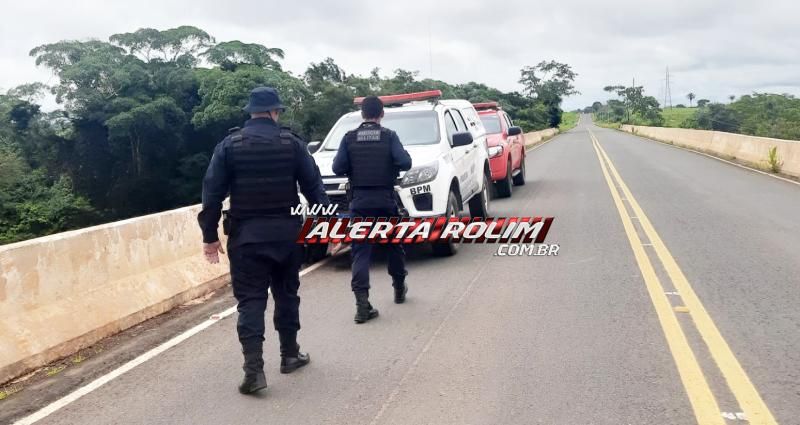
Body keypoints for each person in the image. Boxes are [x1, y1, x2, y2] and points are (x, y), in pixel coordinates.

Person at [198, 86, 329, 395]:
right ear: (275, 112)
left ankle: (254, 372)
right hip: (287, 236)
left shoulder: (229, 145)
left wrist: (209, 238)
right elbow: (314, 188)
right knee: (287, 295)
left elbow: (212, 194)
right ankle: (290, 355)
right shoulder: (292, 144)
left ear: (251, 112)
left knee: (251, 302)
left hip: (246, 240)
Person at [332, 95, 412, 324]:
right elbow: (405, 162)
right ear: (382, 114)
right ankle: (398, 287)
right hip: (385, 201)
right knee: (394, 245)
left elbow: (337, 168)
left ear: (362, 114)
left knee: (360, 252)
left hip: (360, 203)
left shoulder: (349, 138)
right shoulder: (389, 136)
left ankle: (362, 305)